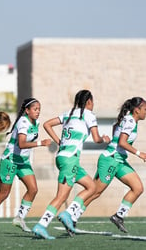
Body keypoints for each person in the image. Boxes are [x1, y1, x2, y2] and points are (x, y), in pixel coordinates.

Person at [32, 89, 110, 239]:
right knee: (61, 197)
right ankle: (42, 225)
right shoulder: (88, 115)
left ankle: (68, 214)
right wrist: (104, 139)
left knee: (91, 186)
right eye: (92, 102)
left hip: (62, 157)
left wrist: (59, 141)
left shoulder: (69, 113)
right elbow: (96, 139)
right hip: (70, 159)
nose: (93, 105)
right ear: (89, 102)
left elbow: (47, 124)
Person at [71, 97, 146, 233]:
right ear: (137, 110)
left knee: (138, 188)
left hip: (120, 160)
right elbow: (122, 142)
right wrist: (139, 153)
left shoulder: (129, 119)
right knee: (95, 192)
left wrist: (114, 141)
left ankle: (119, 216)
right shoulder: (130, 121)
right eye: (145, 109)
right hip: (110, 160)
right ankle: (72, 217)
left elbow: (115, 127)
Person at [0, 98, 51, 235]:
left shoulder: (36, 122)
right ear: (27, 110)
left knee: (33, 189)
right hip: (10, 161)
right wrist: (41, 143)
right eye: (35, 109)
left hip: (23, 162)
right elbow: (22, 144)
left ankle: (19, 218)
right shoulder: (23, 122)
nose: (38, 112)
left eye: (39, 109)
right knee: (4, 193)